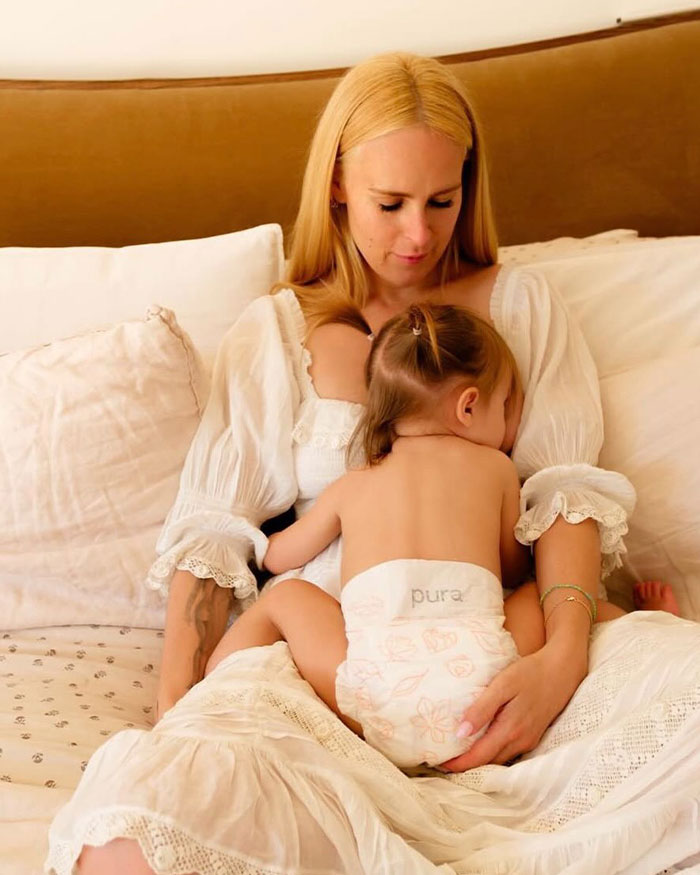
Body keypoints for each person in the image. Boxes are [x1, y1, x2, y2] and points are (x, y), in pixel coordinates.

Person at [47, 51, 698, 875]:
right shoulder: (278, 331)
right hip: (325, 683)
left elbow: (564, 498)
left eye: (442, 200)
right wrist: (177, 707)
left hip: (505, 656)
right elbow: (215, 532)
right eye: (390, 204)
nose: (419, 234)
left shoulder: (521, 309)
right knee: (136, 828)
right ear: (337, 187)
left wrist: (560, 659)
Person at [205, 302, 630, 769]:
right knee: (547, 594)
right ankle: (634, 616)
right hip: (482, 691)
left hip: (374, 696)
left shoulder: (352, 483)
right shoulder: (496, 468)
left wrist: (265, 545)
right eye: (507, 404)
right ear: (469, 405)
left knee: (284, 599)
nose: (512, 422)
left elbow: (280, 558)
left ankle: (208, 694)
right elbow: (512, 568)